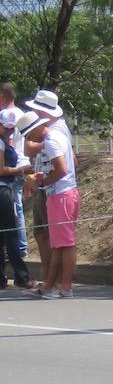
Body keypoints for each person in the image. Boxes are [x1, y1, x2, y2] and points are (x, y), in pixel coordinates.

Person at [17, 111, 78, 298]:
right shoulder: (57, 135)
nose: (30, 139)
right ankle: (52, 285)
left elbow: (61, 169)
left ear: (36, 128)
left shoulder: (51, 141)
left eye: (29, 134)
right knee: (59, 244)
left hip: (60, 194)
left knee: (66, 244)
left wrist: (40, 183)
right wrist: (39, 178)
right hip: (62, 193)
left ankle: (65, 286)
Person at [22, 89, 73, 282]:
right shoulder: (45, 131)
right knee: (41, 233)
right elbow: (29, 148)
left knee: (54, 237)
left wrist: (40, 181)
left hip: (52, 187)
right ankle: (48, 277)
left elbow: (60, 165)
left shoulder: (55, 131)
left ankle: (56, 281)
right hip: (43, 186)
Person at [0, 109, 34, 288]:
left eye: (12, 129)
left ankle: (1, 279)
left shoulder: (5, 142)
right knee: (11, 233)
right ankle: (21, 276)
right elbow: (1, 169)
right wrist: (21, 170)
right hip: (3, 190)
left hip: (6, 188)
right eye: (6, 128)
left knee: (2, 236)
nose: (9, 131)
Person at [0, 82, 29, 258]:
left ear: (2, 97)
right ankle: (21, 247)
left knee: (11, 210)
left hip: (7, 166)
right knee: (18, 208)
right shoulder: (23, 115)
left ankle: (15, 249)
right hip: (22, 163)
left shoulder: (3, 116)